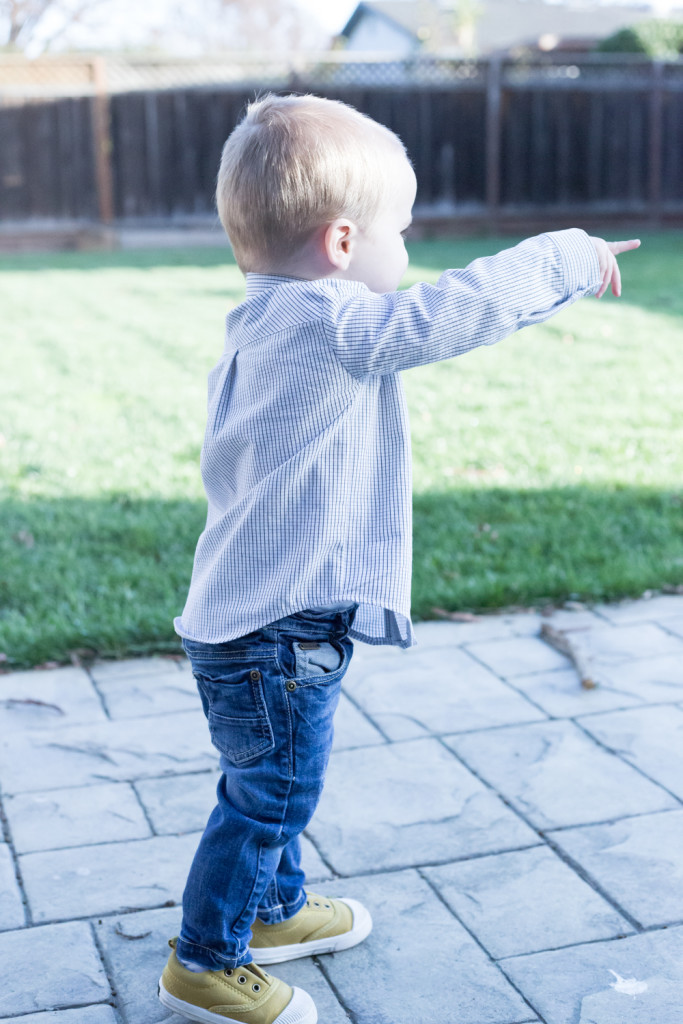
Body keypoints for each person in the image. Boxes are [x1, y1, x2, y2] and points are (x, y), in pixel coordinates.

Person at [158, 93, 640, 1024]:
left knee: (273, 783)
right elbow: (449, 313)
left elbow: (451, 317)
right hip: (277, 635)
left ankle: (274, 909)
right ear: (342, 244)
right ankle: (204, 961)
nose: (409, 254)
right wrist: (563, 257)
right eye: (401, 233)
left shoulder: (270, 319)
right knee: (270, 796)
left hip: (261, 624)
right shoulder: (329, 326)